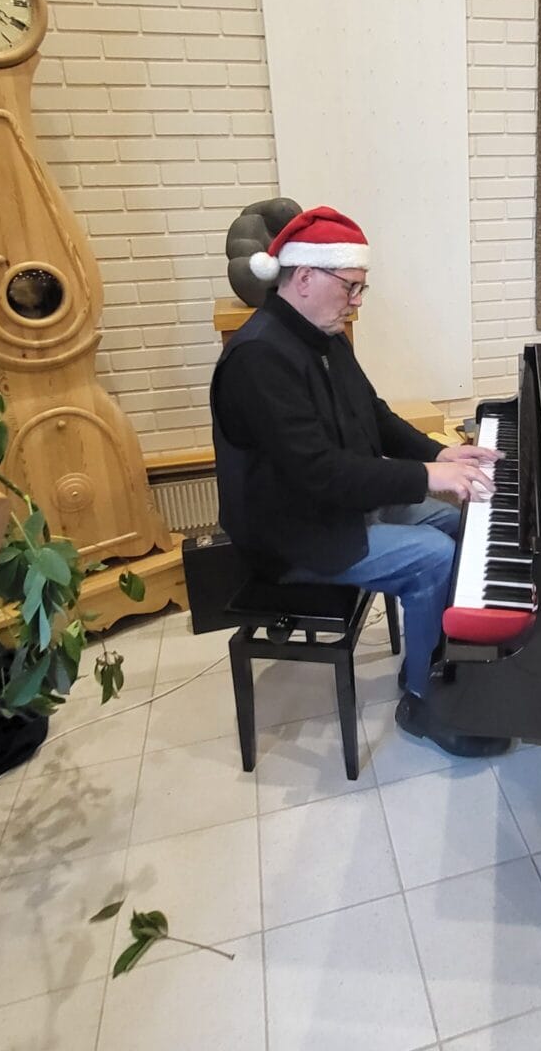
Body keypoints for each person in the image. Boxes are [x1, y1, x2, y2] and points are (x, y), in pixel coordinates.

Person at [210, 205, 510, 757]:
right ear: (304, 277)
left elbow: (374, 415)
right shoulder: (258, 358)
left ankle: (437, 659)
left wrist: (440, 451)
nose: (357, 301)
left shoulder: (324, 337)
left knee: (458, 523)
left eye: (360, 287)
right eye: (350, 286)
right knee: (435, 558)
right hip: (293, 533)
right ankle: (423, 702)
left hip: (340, 505)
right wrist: (428, 475)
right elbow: (319, 473)